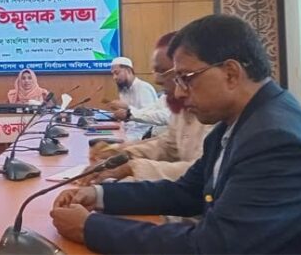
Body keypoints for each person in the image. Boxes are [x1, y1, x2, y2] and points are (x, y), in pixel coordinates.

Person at [50, 14, 301, 253]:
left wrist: (89, 228)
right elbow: (186, 192)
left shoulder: (274, 139)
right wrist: (99, 195)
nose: (178, 92)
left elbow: (212, 247)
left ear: (231, 73)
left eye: (187, 78)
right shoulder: (236, 121)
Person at [77, 32, 212, 184]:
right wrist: (120, 153)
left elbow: (201, 172)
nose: (156, 79)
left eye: (181, 75)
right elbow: (168, 146)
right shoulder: (181, 105)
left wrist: (130, 167)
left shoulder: (214, 115)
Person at [108, 56, 159, 140]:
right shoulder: (123, 89)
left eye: (117, 73)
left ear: (128, 71)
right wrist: (118, 115)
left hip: (142, 135)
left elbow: (150, 118)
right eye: (113, 74)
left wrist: (127, 109)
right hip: (127, 131)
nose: (114, 77)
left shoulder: (143, 88)